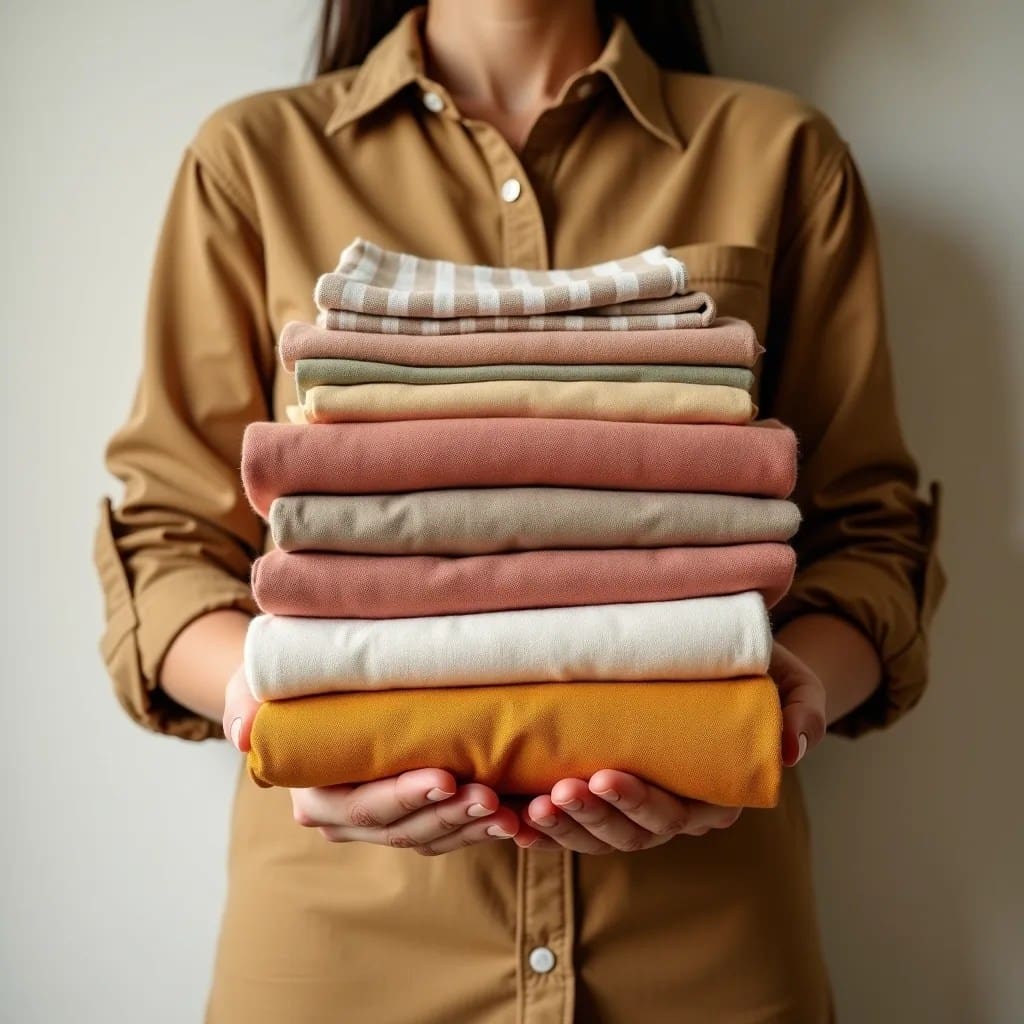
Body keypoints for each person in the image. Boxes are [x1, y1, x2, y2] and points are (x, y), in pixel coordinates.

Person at [92, 1, 945, 1020]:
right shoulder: (256, 159)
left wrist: (776, 713)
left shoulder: (778, 153)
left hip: (701, 955)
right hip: (342, 957)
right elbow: (168, 544)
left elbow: (870, 540)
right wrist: (281, 710)